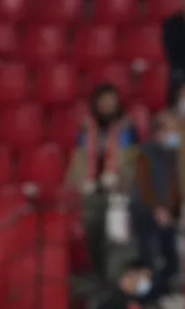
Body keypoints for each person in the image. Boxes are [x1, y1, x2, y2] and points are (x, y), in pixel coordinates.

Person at [70, 83, 139, 283]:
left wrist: (123, 181)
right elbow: (79, 157)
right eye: (104, 101)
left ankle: (113, 282)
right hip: (91, 192)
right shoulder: (87, 127)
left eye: (111, 100)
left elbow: (133, 160)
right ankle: (98, 277)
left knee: (115, 239)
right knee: (93, 235)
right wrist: (77, 182)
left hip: (117, 192)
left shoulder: (127, 128)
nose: (108, 105)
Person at [131, 111, 182, 303]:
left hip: (166, 215)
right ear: (159, 132)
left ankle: (160, 296)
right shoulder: (146, 154)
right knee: (150, 261)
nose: (176, 134)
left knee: (171, 261)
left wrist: (173, 209)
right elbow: (143, 186)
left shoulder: (172, 155)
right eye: (172, 130)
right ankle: (145, 301)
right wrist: (157, 209)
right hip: (146, 215)